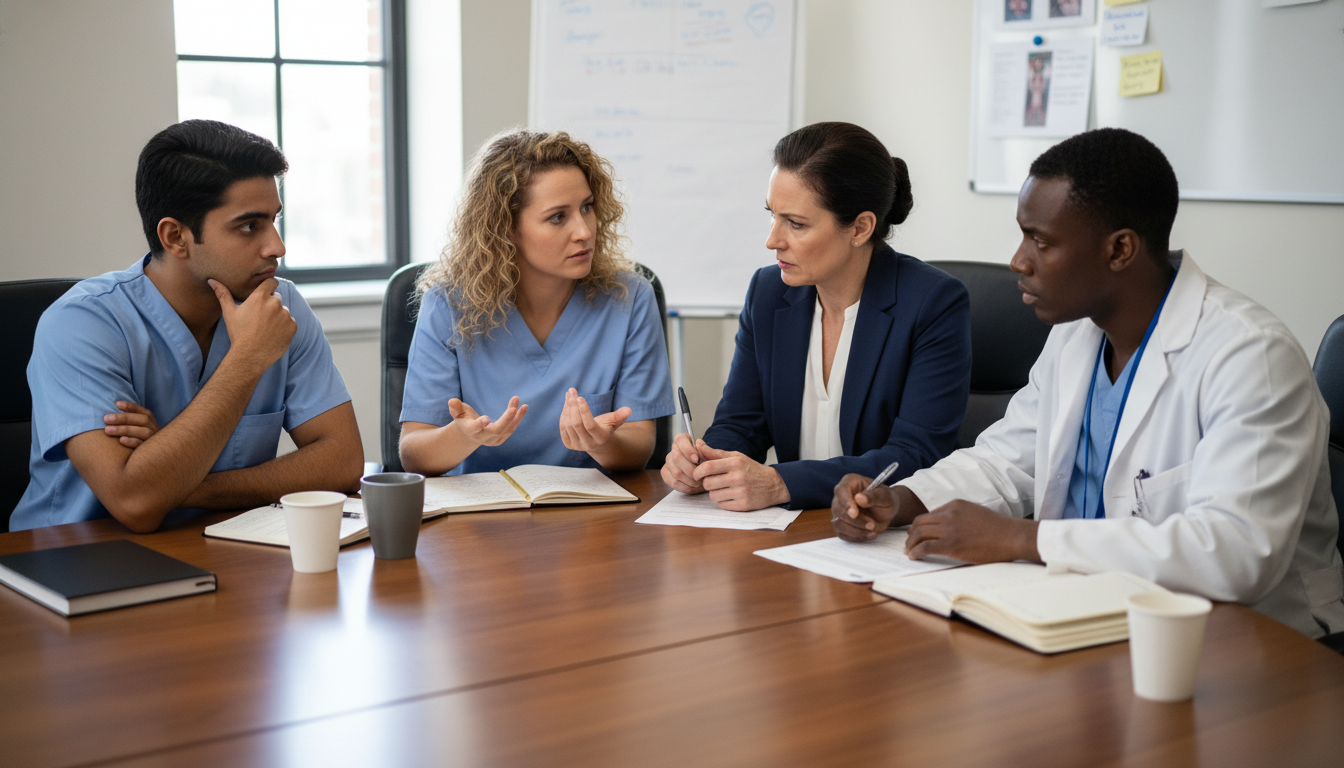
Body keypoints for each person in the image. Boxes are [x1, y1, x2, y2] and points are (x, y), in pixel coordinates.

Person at [832, 128, 1344, 638]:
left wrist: (1025, 539)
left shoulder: (1251, 355)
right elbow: (1006, 461)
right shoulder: (1076, 334)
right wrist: (901, 499)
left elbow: (1236, 554)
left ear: (1119, 249)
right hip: (1088, 613)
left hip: (1258, 641)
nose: (1018, 261)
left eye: (1041, 241)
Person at [11, 120, 364, 533]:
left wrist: (175, 483)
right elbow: (135, 502)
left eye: (274, 220)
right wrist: (247, 359)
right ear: (175, 237)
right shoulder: (80, 325)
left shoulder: (280, 305)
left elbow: (342, 462)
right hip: (76, 556)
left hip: (222, 547)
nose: (277, 247)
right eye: (249, 226)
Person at [661, 122, 972, 511]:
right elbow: (741, 424)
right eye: (772, 215)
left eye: (796, 223)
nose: (772, 240)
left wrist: (781, 483)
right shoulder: (768, 293)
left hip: (881, 528)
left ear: (860, 227)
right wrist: (705, 462)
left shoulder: (933, 303)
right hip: (788, 530)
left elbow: (915, 455)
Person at [398, 130, 674, 475]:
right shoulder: (448, 304)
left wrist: (601, 443)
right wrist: (462, 436)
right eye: (558, 217)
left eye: (587, 207)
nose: (584, 231)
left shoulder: (629, 297)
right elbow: (413, 454)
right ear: (505, 228)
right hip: (480, 506)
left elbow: (640, 446)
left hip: (593, 505)